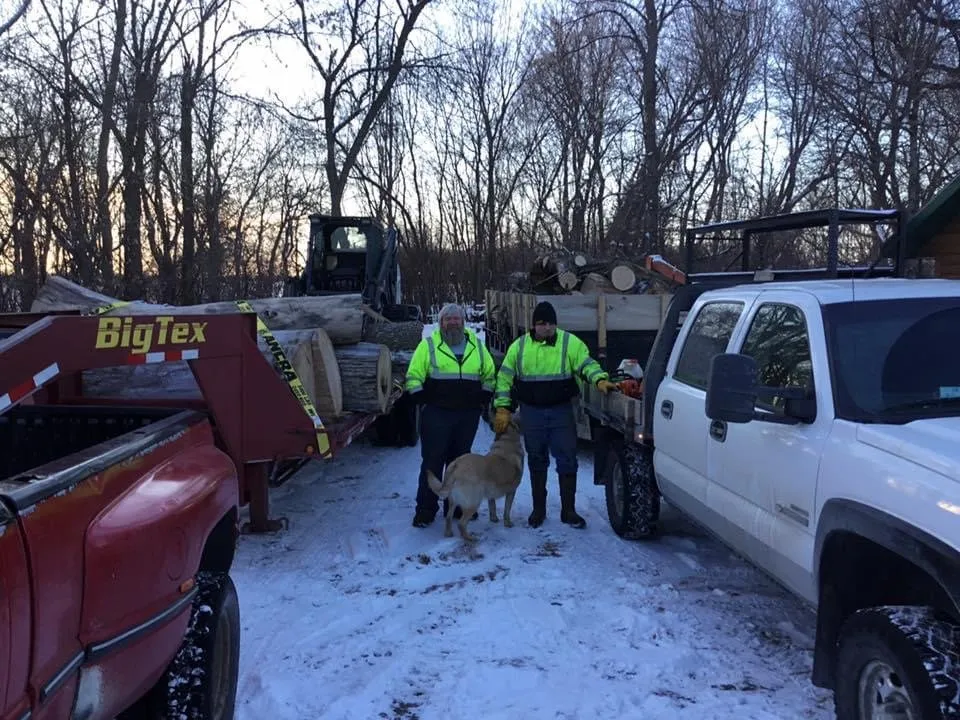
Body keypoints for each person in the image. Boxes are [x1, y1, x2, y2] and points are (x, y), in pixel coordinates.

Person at [493, 301, 617, 529]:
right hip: (531, 413)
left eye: (550, 323)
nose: (547, 328)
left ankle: (568, 511)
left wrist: (599, 378)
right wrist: (503, 408)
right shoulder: (519, 347)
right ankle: (538, 510)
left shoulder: (569, 343)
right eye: (542, 324)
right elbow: (504, 378)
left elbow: (585, 364)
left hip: (561, 411)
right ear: (534, 325)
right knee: (537, 459)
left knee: (567, 459)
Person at [405, 303, 496, 528]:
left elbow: (490, 375)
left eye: (456, 319)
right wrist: (422, 398)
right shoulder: (428, 345)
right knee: (433, 461)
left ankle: (456, 508)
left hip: (467, 415)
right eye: (448, 319)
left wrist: (483, 396)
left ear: (463, 322)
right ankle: (426, 510)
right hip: (437, 414)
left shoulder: (476, 345)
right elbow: (413, 376)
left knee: (461, 464)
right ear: (441, 323)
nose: (453, 323)